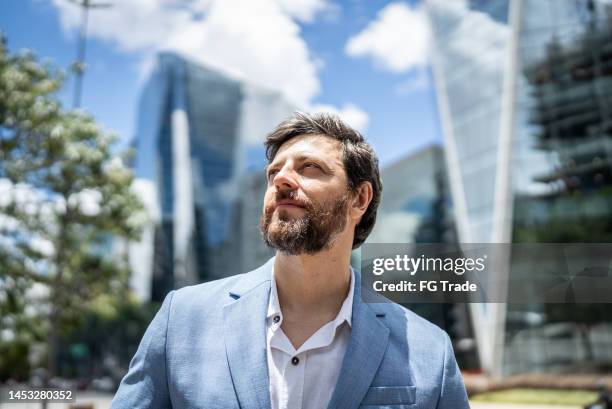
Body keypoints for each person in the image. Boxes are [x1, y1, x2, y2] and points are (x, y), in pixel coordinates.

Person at [110, 112, 469, 409]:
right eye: (273, 172)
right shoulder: (182, 319)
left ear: (359, 198)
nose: (281, 179)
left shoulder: (430, 351)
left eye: (309, 167)